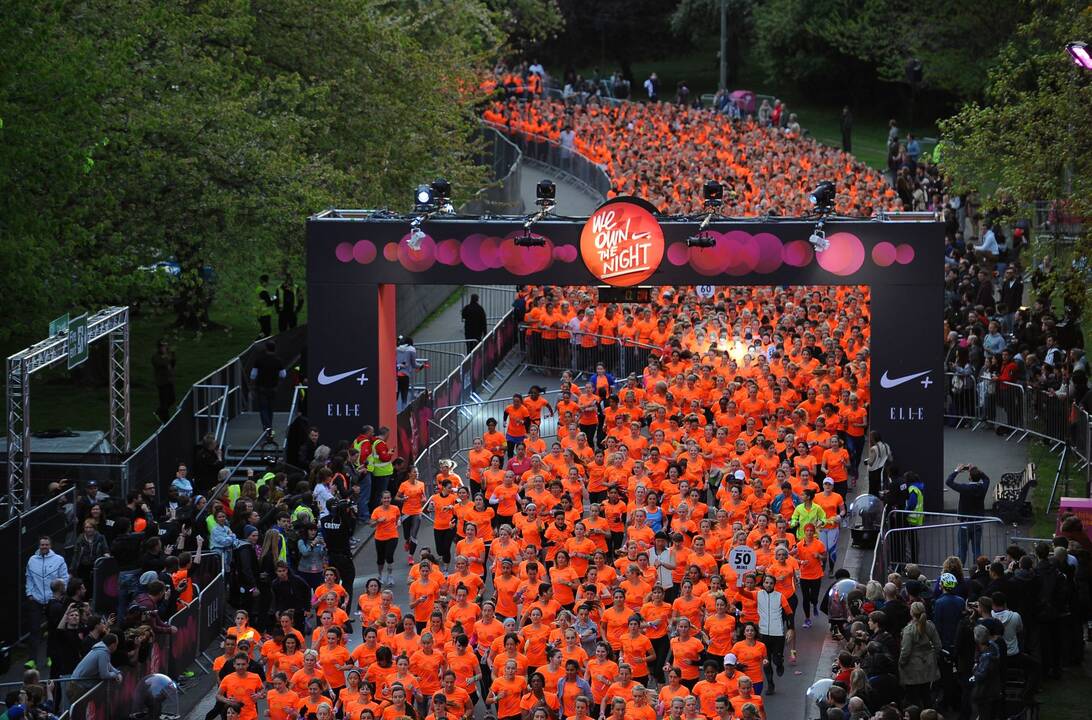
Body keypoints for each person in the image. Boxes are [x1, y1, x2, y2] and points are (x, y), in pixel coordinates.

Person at [24, 536, 68, 669]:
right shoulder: (32, 560)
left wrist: (59, 594)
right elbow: (29, 578)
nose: (44, 547)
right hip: (36, 599)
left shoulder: (59, 560)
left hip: (52, 600)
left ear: (51, 545)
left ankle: (51, 656)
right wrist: (29, 593)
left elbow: (65, 578)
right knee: (34, 630)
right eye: (42, 544)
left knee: (53, 630)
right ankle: (32, 660)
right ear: (39, 546)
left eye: (46, 544)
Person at [945, 464, 990, 564]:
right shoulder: (982, 488)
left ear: (969, 477)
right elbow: (986, 479)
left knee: (962, 550)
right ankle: (978, 570)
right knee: (976, 549)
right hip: (977, 522)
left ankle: (959, 571)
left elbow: (948, 482)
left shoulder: (964, 488)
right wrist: (977, 470)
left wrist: (957, 470)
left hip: (965, 523)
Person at [249, 341, 285, 435]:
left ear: (266, 349)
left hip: (261, 388)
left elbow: (253, 375)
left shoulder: (259, 360)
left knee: (263, 408)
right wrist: (278, 384)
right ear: (275, 349)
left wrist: (252, 387)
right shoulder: (278, 361)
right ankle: (269, 427)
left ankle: (267, 427)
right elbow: (283, 375)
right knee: (270, 408)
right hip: (273, 388)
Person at [151, 338, 177, 423]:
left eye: (166, 346)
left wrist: (172, 354)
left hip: (169, 380)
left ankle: (158, 412)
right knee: (164, 401)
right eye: (163, 346)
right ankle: (165, 419)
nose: (165, 348)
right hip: (162, 382)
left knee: (172, 399)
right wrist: (167, 357)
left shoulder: (167, 355)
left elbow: (172, 364)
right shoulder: (156, 357)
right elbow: (162, 364)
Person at [255, 274, 277, 338]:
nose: (268, 283)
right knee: (266, 331)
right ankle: (260, 342)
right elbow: (269, 302)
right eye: (267, 282)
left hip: (259, 313)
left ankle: (258, 341)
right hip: (264, 314)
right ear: (264, 282)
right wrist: (275, 297)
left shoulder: (258, 289)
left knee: (263, 331)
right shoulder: (263, 291)